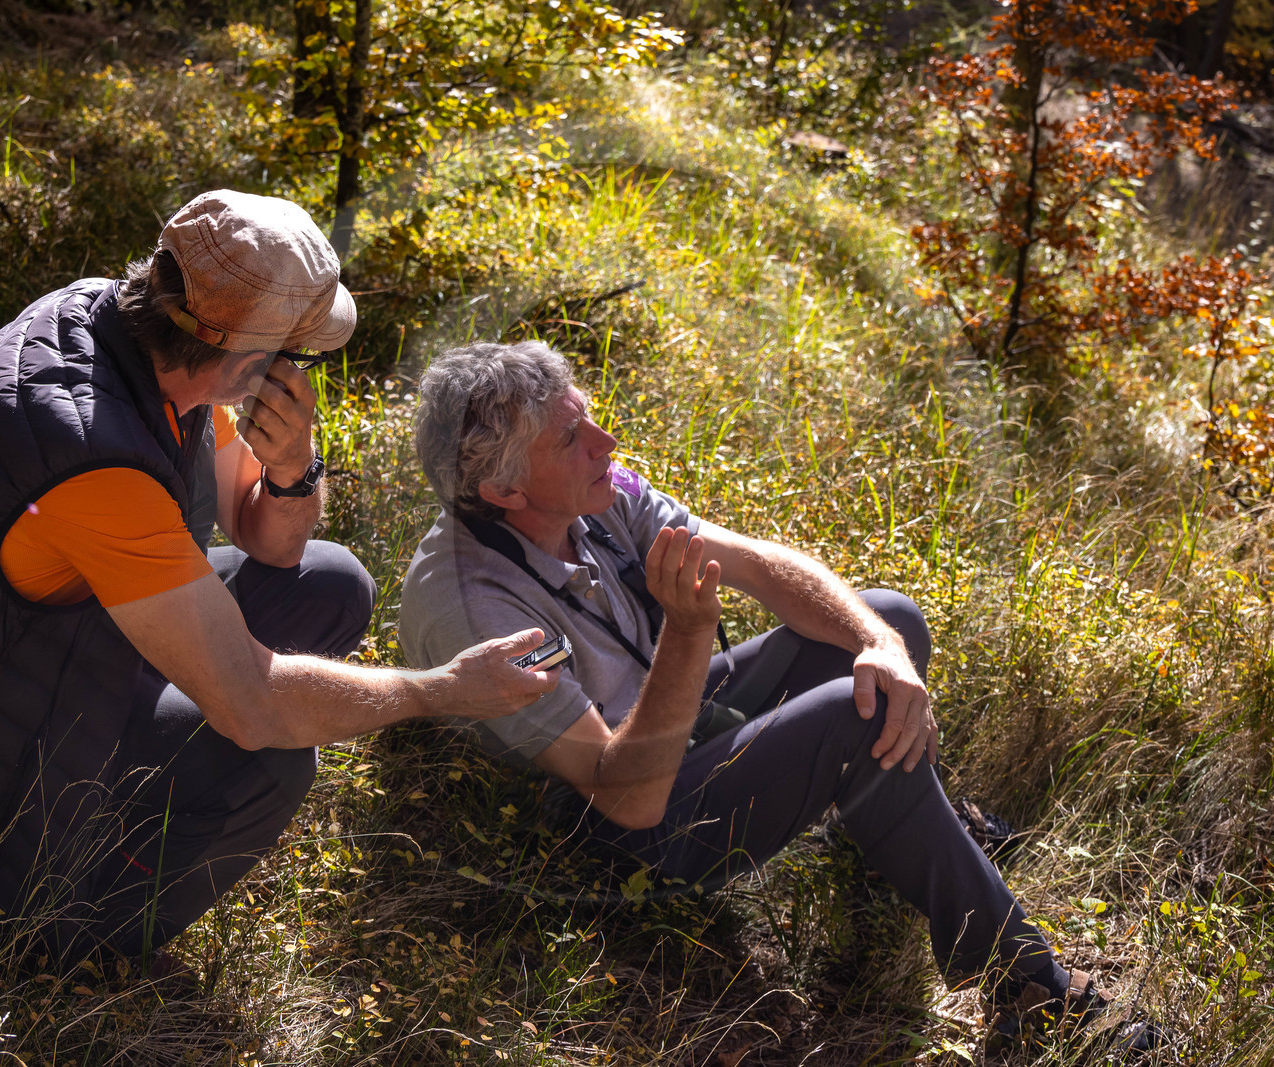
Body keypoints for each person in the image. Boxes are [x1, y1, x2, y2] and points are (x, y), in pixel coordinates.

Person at [0, 191, 557, 963]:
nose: (295, 371)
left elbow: (271, 541)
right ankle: (64, 939)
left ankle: (123, 788)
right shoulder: (91, 455)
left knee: (332, 583)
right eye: (291, 353)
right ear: (245, 358)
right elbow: (254, 706)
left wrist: (293, 468)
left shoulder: (141, 343)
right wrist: (442, 689)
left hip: (30, 659)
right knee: (269, 759)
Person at [398, 340, 1164, 1054]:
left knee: (885, 619)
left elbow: (763, 567)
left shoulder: (594, 498)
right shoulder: (473, 606)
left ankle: (895, 817)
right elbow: (623, 795)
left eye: (587, 416)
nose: (605, 443)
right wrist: (692, 633)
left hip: (676, 722)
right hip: (610, 829)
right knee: (846, 719)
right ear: (502, 487)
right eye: (570, 438)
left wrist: (881, 644)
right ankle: (1030, 988)